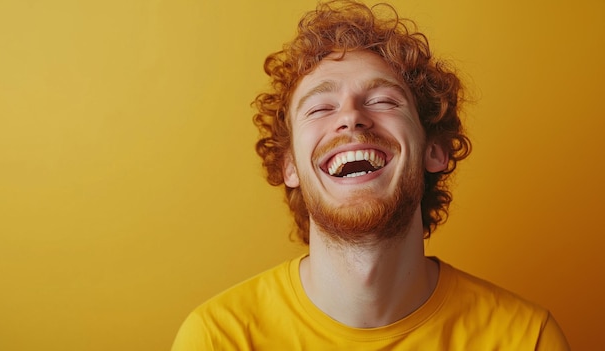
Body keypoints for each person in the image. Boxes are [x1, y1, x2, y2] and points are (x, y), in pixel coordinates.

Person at [171, 1, 570, 349]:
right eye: (319, 108)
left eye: (382, 100)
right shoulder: (218, 338)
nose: (351, 118)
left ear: (434, 150)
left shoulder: (526, 338)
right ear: (289, 165)